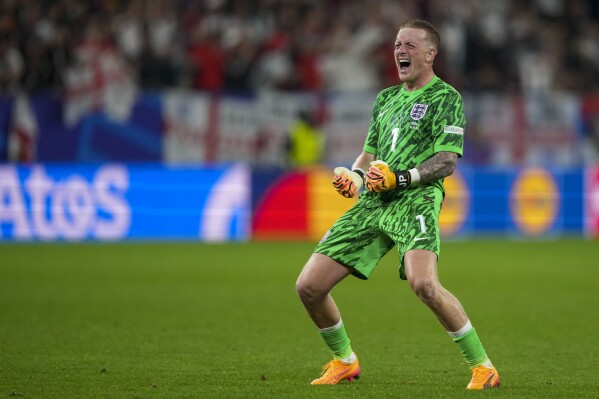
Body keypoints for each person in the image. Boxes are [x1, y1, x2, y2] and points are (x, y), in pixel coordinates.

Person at [295, 19, 500, 390]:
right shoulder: (386, 99)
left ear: (430, 54)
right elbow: (368, 154)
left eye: (408, 44)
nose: (399, 51)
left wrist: (400, 177)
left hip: (416, 199)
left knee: (424, 284)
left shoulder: (446, 98)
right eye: (396, 44)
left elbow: (446, 161)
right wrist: (355, 178)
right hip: (374, 201)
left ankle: (483, 367)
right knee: (308, 286)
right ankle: (345, 360)